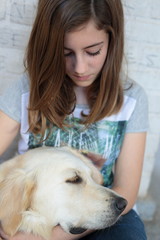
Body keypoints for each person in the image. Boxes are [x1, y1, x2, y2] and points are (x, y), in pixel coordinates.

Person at [0, 0, 148, 239]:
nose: (79, 67)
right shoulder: (25, 91)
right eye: (66, 52)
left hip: (109, 210)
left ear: (112, 40)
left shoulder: (131, 99)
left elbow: (127, 189)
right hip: (38, 210)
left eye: (92, 51)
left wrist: (54, 237)